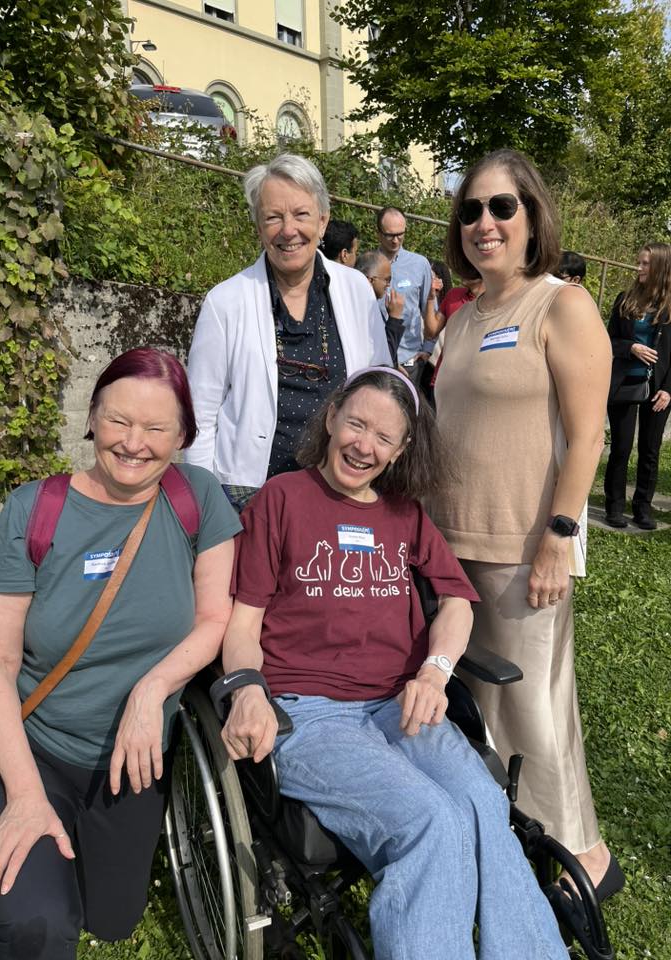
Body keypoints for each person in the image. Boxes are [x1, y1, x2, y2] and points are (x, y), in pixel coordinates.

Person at [218, 368, 568, 960]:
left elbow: (456, 600)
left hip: (397, 703)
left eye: (384, 437)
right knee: (431, 821)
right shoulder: (282, 499)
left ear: (402, 449)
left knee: (484, 805)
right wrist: (247, 688)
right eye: (355, 423)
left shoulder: (404, 513)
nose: (364, 445)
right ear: (331, 419)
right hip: (309, 714)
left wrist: (433, 670)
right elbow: (244, 621)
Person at [0, 348, 242, 959]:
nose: (134, 443)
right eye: (118, 421)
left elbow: (216, 617)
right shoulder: (35, 510)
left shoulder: (197, 499)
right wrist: (26, 798)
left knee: (110, 920)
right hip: (29, 745)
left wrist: (150, 688)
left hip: (129, 761)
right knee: (40, 921)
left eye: (156, 428)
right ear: (92, 417)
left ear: (184, 435)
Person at [432, 149, 621, 897]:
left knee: (536, 710)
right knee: (479, 708)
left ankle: (584, 860)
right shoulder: (466, 313)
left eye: (502, 207)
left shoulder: (560, 304)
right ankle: (511, 835)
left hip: (522, 546)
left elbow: (588, 436)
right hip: (452, 544)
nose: (486, 222)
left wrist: (560, 534)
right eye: (472, 209)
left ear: (531, 215)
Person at [186, 154, 391, 512]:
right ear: (258, 226)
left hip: (341, 486)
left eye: (301, 214)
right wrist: (207, 505)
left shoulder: (356, 290)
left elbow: (380, 385)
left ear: (323, 221)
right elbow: (199, 417)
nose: (288, 230)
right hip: (248, 494)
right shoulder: (225, 302)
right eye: (273, 217)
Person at [603, 242, 671, 529]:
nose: (639, 268)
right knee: (620, 446)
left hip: (659, 389)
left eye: (645, 264)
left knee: (650, 450)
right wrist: (631, 347)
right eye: (639, 262)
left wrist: (669, 390)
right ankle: (614, 506)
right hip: (624, 384)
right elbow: (608, 341)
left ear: (659, 268)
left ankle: (643, 508)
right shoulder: (624, 300)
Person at [376, 206, 433, 365]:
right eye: (389, 235)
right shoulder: (367, 265)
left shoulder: (420, 265)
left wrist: (428, 348)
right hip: (376, 357)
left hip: (409, 358)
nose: (395, 240)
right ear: (379, 233)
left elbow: (430, 309)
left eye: (400, 234)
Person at [356, 249, 406, 365]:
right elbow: (383, 357)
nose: (389, 284)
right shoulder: (362, 312)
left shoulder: (371, 306)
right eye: (386, 279)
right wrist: (394, 318)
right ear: (370, 280)